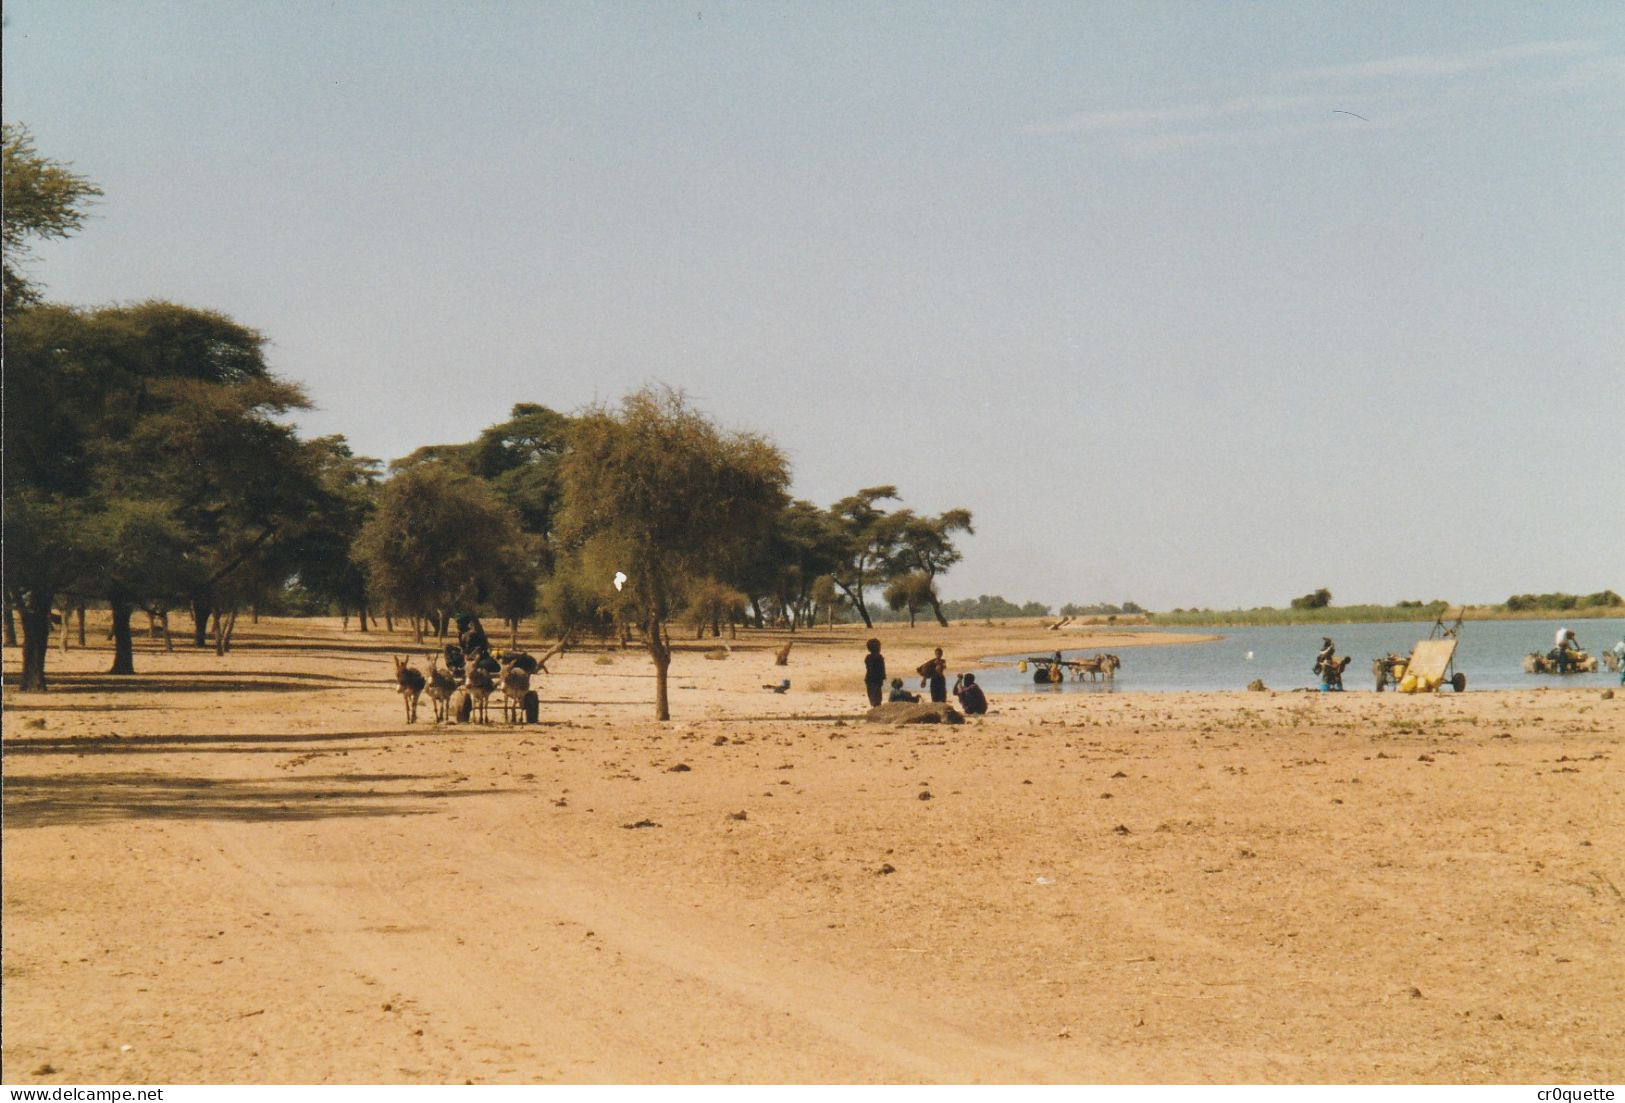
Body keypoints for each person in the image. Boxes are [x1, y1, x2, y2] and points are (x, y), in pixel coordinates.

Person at [863, 638, 886, 707]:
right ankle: (876, 706)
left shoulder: (868, 658)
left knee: (872, 695)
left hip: (869, 679)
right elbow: (882, 669)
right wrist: (883, 677)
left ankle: (874, 705)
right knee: (877, 696)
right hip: (876, 679)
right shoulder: (879, 658)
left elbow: (868, 668)